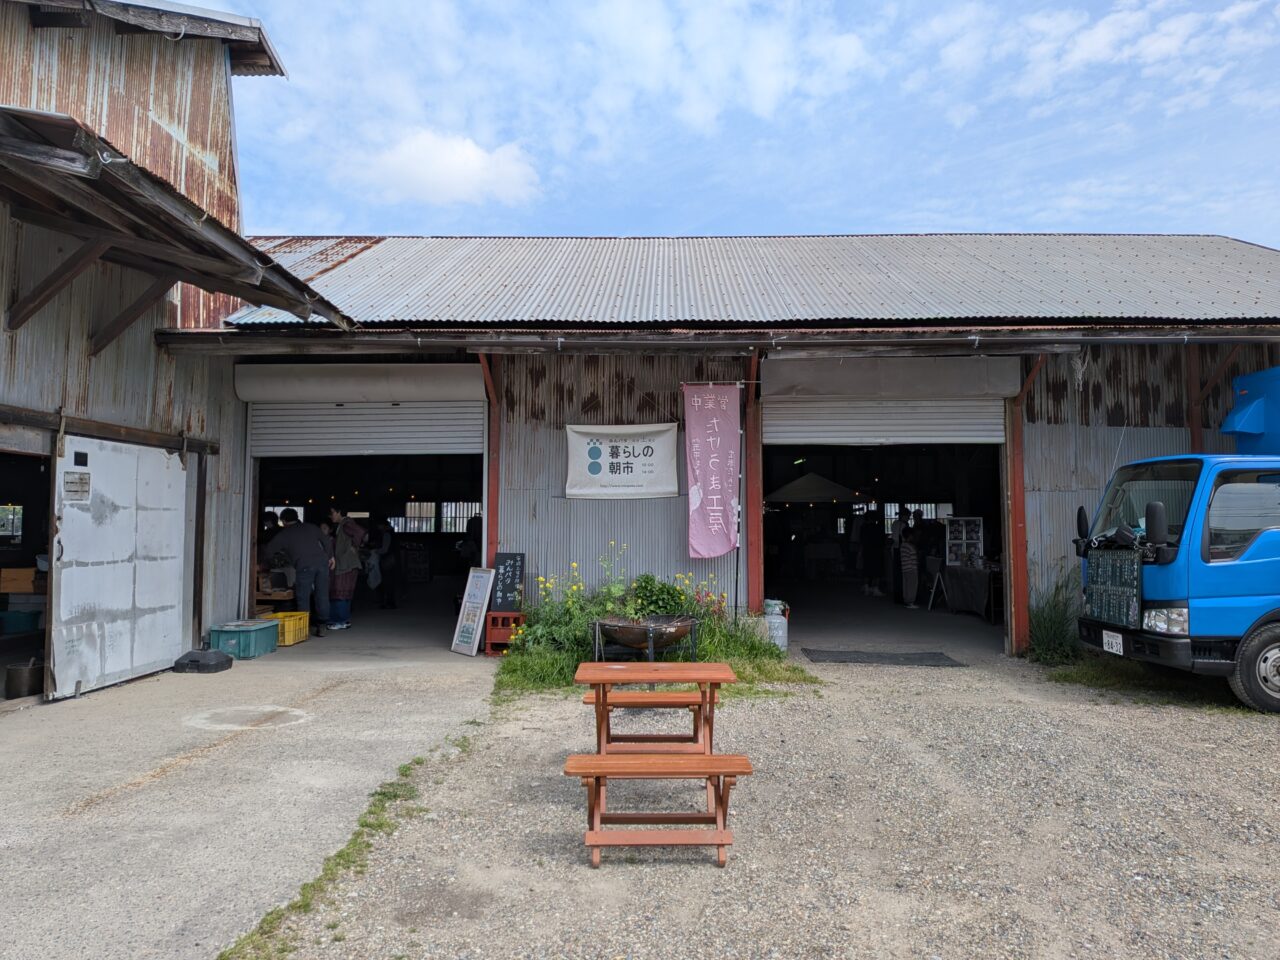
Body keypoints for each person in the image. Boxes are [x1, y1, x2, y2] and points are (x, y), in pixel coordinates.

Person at [270, 508, 332, 637]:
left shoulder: (285, 533)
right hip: (322, 563)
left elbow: (270, 550)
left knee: (303, 596)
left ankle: (304, 628)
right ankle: (322, 625)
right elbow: (326, 540)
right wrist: (331, 556)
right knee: (322, 594)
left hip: (304, 565)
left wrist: (264, 564)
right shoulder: (311, 527)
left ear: (284, 521)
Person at [327, 506, 367, 630]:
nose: (331, 516)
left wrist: (355, 547)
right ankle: (342, 620)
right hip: (345, 564)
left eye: (332, 513)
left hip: (346, 564)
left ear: (339, 512)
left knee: (340, 592)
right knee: (343, 592)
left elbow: (362, 533)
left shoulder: (347, 523)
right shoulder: (342, 525)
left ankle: (340, 621)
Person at [371, 519, 400, 609]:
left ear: (383, 525)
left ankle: (388, 602)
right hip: (392, 559)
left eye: (379, 526)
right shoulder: (391, 533)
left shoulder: (387, 534)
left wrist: (375, 551)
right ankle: (390, 602)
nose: (378, 528)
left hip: (388, 560)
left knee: (386, 582)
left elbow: (384, 549)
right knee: (390, 582)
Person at [859, 510, 886, 596]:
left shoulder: (863, 527)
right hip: (877, 551)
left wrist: (860, 552)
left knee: (867, 569)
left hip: (867, 550)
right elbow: (882, 541)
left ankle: (866, 587)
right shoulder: (879, 528)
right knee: (877, 570)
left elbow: (861, 541)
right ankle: (875, 588)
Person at [890, 507, 909, 604]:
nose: (908, 518)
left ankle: (896, 595)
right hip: (902, 549)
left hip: (894, 548)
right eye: (908, 516)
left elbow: (893, 536)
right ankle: (902, 595)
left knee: (896, 573)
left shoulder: (894, 523)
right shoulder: (905, 525)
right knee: (902, 573)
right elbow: (905, 538)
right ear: (904, 516)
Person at [901, 523, 921, 609]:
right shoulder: (911, 547)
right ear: (910, 536)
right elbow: (913, 559)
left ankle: (906, 600)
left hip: (905, 568)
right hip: (912, 569)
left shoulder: (903, 545)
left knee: (906, 585)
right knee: (912, 585)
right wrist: (916, 567)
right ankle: (911, 601)